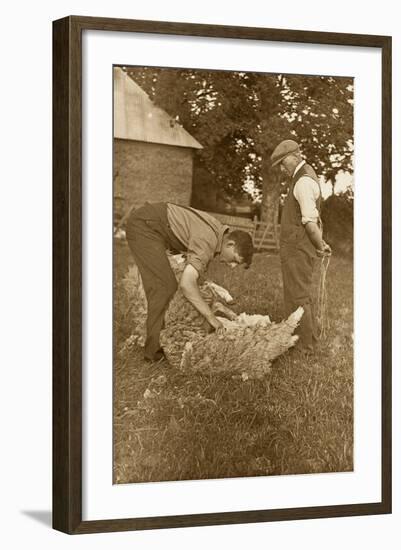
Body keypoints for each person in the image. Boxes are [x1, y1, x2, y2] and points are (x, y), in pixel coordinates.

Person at [125, 202, 254, 362]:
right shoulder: (207, 241)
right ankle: (153, 352)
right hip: (145, 226)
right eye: (235, 259)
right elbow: (187, 284)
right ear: (230, 244)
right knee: (164, 286)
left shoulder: (217, 233)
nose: (233, 266)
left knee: (173, 283)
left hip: (155, 225)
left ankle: (162, 334)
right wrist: (211, 318)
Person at [270, 139, 331, 353]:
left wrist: (320, 245)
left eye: (281, 162)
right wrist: (319, 243)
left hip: (298, 248)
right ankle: (301, 339)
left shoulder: (303, 182)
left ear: (293, 156)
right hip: (296, 247)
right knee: (297, 293)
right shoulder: (302, 177)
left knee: (299, 295)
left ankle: (306, 346)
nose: (280, 168)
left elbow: (310, 222)